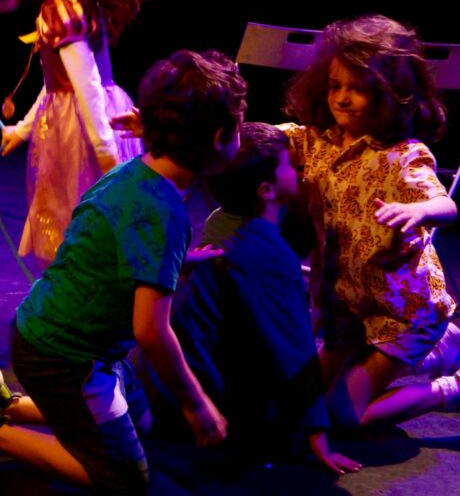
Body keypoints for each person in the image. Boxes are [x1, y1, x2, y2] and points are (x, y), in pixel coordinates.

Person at [0, 50, 246, 493]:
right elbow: (151, 332)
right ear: (221, 136)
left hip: (55, 340)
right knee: (124, 479)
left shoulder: (134, 174)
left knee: (138, 415)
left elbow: (119, 251)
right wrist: (197, 403)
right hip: (66, 360)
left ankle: (2, 405)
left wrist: (178, 262)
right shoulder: (165, 210)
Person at [280, 14, 460, 430]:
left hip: (403, 310)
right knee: (304, 403)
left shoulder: (403, 156)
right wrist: (171, 131)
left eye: (358, 89)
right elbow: (254, 138)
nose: (342, 98)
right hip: (347, 306)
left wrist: (419, 211)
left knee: (341, 418)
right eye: (335, 85)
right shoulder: (316, 142)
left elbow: (443, 205)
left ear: (390, 93)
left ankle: (454, 387)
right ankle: (441, 349)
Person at [147, 122, 361, 474]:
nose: (300, 171)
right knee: (337, 411)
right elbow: (294, 347)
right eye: (291, 165)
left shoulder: (220, 220)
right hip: (203, 408)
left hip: (169, 388)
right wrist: (316, 433)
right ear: (266, 190)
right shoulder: (271, 258)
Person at [0, 0, 165, 266]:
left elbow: (84, 87)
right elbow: (56, 84)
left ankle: (75, 290)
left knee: (76, 210)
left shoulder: (61, 10)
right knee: (86, 211)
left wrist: (107, 156)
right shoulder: (77, 2)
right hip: (91, 114)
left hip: (80, 129)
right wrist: (22, 130)